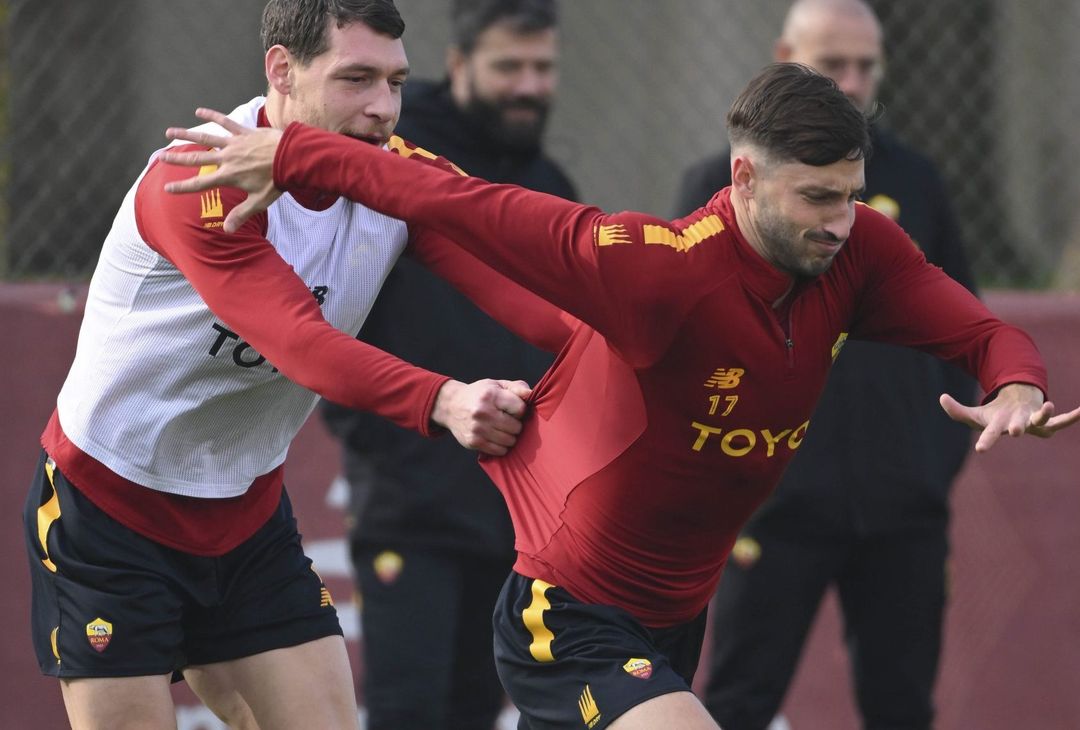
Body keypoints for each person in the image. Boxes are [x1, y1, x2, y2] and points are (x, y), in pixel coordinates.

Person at [161, 62, 1080, 730]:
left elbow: (979, 331)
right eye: (816, 199)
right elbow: (459, 204)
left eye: (850, 195)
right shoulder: (654, 271)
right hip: (567, 612)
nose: (840, 222)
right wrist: (295, 153)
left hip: (676, 615)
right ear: (744, 178)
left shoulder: (862, 252)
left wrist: (1014, 386)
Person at [19, 2, 545, 728]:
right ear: (281, 71)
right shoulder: (200, 174)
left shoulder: (392, 177)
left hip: (246, 513)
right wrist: (447, 401)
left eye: (395, 82)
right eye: (355, 79)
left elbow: (519, 273)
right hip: (110, 510)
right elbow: (301, 344)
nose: (382, 109)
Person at [673, 2, 976, 727]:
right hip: (773, 508)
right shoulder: (720, 183)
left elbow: (965, 326)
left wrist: (929, 462)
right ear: (784, 56)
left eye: (866, 65)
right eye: (831, 63)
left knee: (902, 706)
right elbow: (689, 344)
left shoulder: (916, 179)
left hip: (902, 507)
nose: (852, 81)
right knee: (740, 700)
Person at [318, 1, 575, 728]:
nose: (528, 85)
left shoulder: (550, 183)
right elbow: (330, 311)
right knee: (409, 708)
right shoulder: (395, 159)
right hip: (410, 505)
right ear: (460, 65)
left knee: (475, 707)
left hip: (516, 513)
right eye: (508, 67)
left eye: (543, 68)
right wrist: (388, 445)